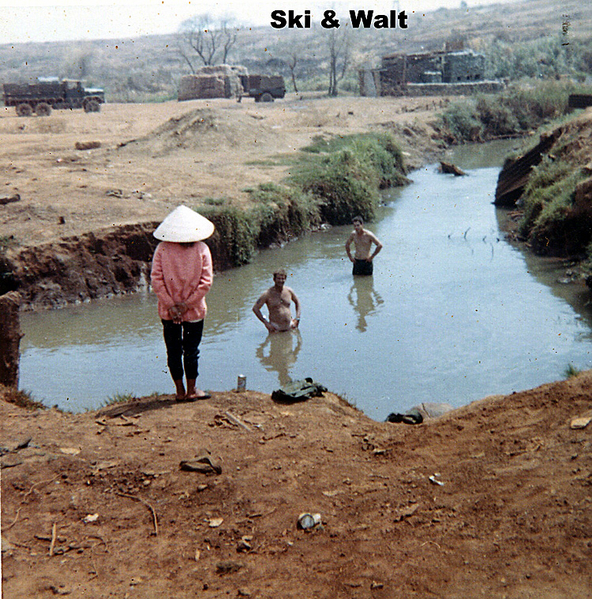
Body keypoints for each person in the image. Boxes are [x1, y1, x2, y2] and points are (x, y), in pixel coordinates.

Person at [150, 205, 214, 401]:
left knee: (174, 351)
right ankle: (191, 391)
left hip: (169, 312)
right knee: (192, 351)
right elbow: (206, 282)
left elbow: (156, 280)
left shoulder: (162, 249)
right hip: (194, 311)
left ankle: (179, 391)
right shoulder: (202, 249)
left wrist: (172, 305)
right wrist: (186, 305)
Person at [253, 268, 301, 333]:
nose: (281, 281)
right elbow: (255, 308)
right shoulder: (267, 294)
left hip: (290, 326)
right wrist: (266, 323)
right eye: (278, 278)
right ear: (274, 279)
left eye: (283, 279)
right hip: (275, 328)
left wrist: (297, 319)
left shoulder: (289, 291)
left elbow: (297, 302)